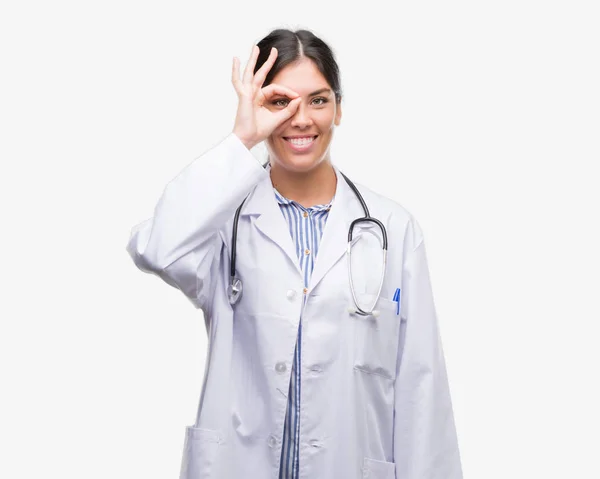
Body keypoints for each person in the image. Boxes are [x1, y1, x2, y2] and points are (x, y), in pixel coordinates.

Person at [126, 28, 463, 479]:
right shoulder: (222, 221)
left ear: (339, 108)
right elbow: (157, 248)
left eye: (318, 100)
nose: (301, 119)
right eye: (280, 102)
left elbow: (422, 385)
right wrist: (241, 140)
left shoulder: (392, 229)